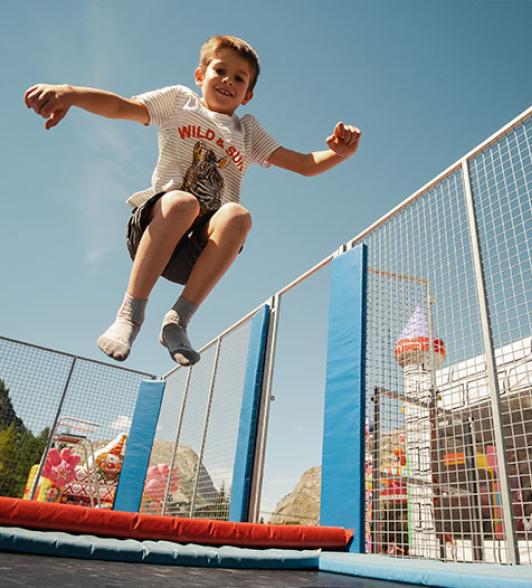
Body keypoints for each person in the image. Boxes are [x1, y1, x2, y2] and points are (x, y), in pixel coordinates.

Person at [24, 35, 361, 366]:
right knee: (183, 202)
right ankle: (130, 315)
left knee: (238, 216)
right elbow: (121, 106)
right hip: (155, 228)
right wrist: (69, 93)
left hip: (195, 253)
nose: (228, 80)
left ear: (248, 95)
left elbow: (303, 164)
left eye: (239, 78)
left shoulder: (248, 131)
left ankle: (178, 321)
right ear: (200, 75)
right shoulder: (178, 101)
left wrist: (339, 153)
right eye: (220, 71)